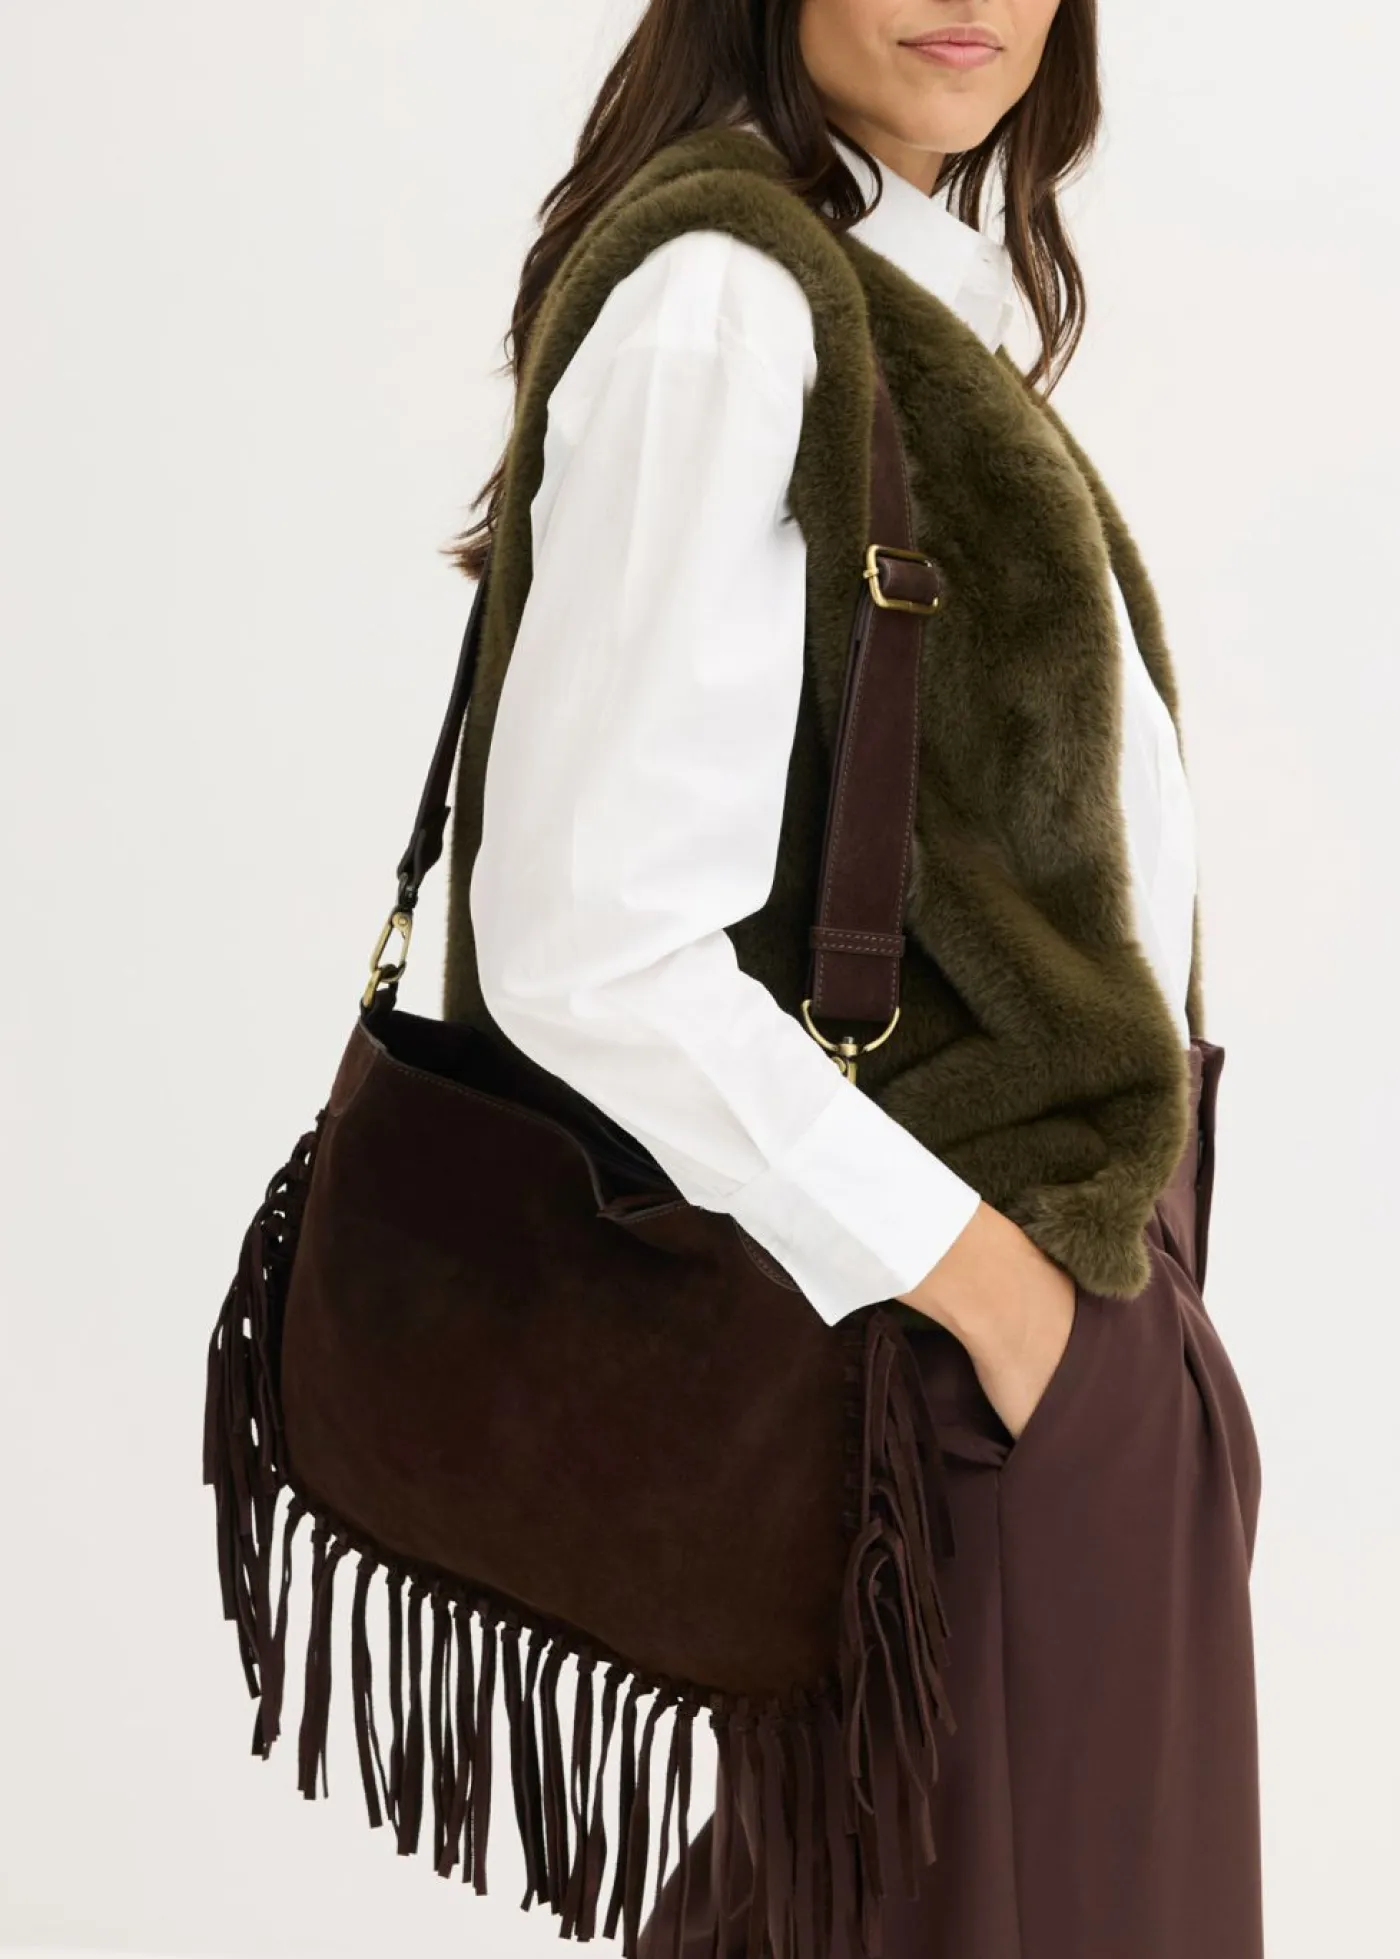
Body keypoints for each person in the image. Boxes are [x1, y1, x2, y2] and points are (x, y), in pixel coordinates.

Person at [439, 4, 1265, 1954]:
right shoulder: (728, 300)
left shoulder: (885, 284)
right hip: (958, 1360)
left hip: (1055, 1345)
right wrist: (1002, 1305)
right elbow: (587, 939)